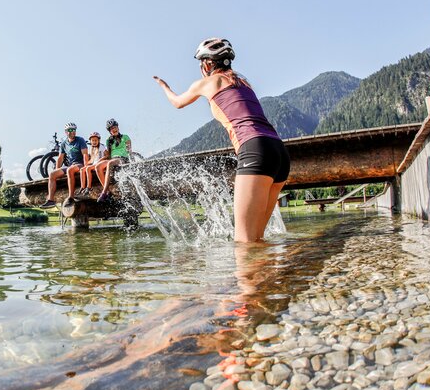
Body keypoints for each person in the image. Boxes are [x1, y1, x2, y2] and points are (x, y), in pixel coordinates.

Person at [154, 37, 290, 242]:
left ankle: (247, 275)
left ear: (207, 64)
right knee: (257, 240)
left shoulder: (207, 82)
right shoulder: (243, 82)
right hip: (278, 152)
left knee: (244, 243)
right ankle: (266, 274)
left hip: (254, 149)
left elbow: (177, 102)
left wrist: (164, 86)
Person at [39, 122, 89, 209]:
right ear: (66, 132)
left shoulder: (80, 140)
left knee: (70, 170)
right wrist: (57, 170)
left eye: (74, 130)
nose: (72, 131)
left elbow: (85, 154)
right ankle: (51, 200)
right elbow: (60, 158)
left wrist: (86, 167)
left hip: (79, 164)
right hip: (69, 166)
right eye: (70, 130)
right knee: (52, 174)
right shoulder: (64, 144)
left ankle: (71, 197)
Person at [95, 118, 131, 202]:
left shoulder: (125, 137)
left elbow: (129, 151)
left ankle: (104, 192)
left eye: (114, 127)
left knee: (110, 163)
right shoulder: (109, 140)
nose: (113, 129)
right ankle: (107, 191)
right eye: (111, 129)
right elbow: (110, 155)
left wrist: (131, 162)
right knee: (98, 167)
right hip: (113, 159)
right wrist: (101, 160)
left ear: (118, 127)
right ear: (109, 131)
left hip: (123, 158)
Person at [76, 132, 107, 200]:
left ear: (99, 140)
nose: (94, 142)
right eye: (92, 141)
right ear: (90, 141)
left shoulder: (102, 146)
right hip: (94, 163)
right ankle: (82, 187)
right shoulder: (91, 148)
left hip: (100, 163)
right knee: (82, 169)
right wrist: (87, 163)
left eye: (96, 140)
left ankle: (89, 187)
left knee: (88, 169)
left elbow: (107, 155)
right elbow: (92, 159)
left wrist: (101, 160)